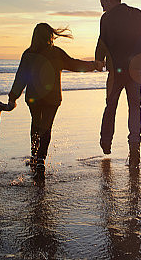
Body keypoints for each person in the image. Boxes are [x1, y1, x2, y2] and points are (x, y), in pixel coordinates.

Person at [8, 23, 97, 172]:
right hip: (53, 97)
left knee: (36, 124)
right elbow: (74, 64)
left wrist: (13, 97)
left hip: (33, 97)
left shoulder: (28, 54)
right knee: (46, 126)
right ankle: (41, 159)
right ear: (50, 36)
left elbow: (20, 78)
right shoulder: (55, 52)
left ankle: (34, 156)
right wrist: (93, 65)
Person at [95, 0, 141, 166]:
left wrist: (99, 59)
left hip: (116, 68)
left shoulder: (106, 19)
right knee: (134, 107)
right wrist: (136, 36)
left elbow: (102, 40)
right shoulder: (135, 13)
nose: (103, 8)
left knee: (111, 104)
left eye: (103, 4)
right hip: (135, 67)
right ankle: (134, 148)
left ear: (110, 0)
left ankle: (106, 142)